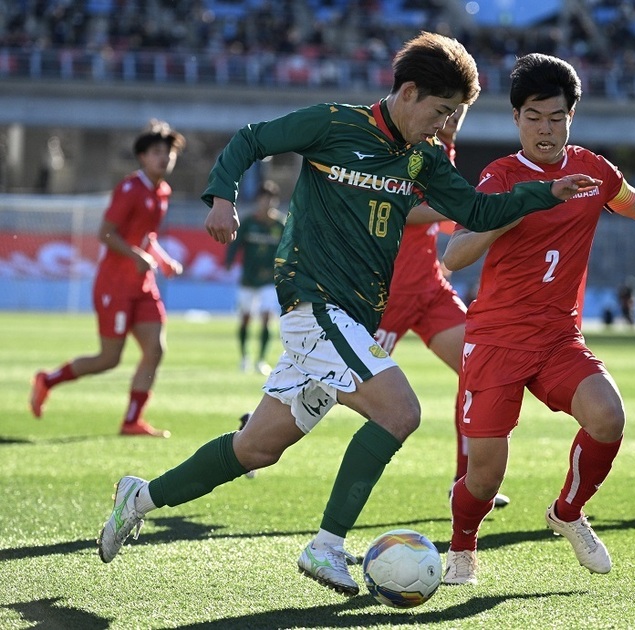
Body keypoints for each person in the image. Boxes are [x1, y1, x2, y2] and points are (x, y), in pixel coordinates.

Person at [95, 32, 603, 597]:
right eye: (439, 111)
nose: (442, 125)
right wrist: (221, 196)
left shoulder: (423, 157)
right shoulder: (333, 124)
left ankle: (139, 497)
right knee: (401, 411)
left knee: (256, 447)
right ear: (407, 93)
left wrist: (545, 192)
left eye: (452, 116)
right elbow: (251, 139)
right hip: (314, 304)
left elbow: (478, 209)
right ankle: (327, 546)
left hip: (351, 318)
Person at [439, 53, 635, 586]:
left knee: (609, 417)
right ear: (516, 119)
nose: (545, 128)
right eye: (534, 116)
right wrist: (517, 205)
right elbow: (456, 256)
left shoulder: (594, 172)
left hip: (559, 336)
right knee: (485, 476)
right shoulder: (500, 176)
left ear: (571, 118)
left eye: (555, 117)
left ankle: (567, 511)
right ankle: (463, 548)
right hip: (495, 340)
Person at [376, 103, 510, 507]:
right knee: (339, 382)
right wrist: (463, 207)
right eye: (445, 109)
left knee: (478, 366)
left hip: (430, 289)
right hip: (391, 294)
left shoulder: (443, 150)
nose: (452, 119)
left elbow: (439, 218)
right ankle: (264, 421)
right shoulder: (409, 148)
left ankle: (466, 479)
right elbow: (398, 210)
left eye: (460, 110)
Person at [30, 120, 186, 437]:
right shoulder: (130, 189)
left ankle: (132, 421)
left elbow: (148, 236)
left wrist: (163, 259)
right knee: (109, 358)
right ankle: (47, 380)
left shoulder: (162, 192)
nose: (164, 158)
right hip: (114, 285)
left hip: (143, 286)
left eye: (168, 153)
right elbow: (105, 233)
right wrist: (137, 257)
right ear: (142, 157)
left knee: (155, 350)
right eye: (157, 152)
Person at [225, 179, 286, 375]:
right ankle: (244, 357)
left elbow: (288, 250)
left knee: (267, 318)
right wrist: (229, 261)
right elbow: (235, 245)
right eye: (263, 199)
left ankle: (261, 360)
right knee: (245, 319)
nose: (267, 203)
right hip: (248, 279)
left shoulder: (280, 225)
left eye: (271, 199)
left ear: (275, 201)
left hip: (270, 279)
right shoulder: (249, 223)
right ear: (258, 200)